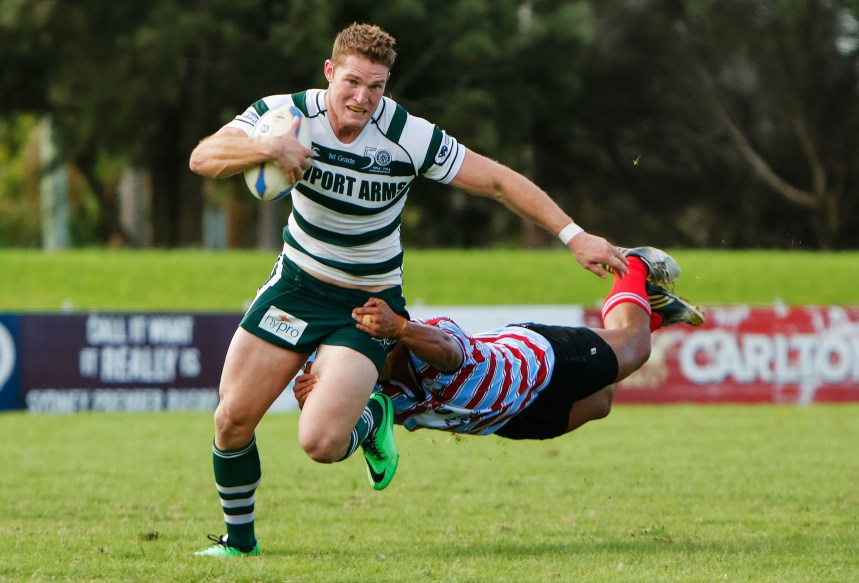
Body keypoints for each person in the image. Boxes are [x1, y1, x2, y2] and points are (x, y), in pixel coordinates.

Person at [188, 22, 629, 557]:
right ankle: (239, 544)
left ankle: (375, 417)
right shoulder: (286, 115)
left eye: (376, 87)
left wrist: (574, 235)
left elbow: (497, 181)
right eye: (352, 82)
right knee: (232, 418)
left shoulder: (406, 135)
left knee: (322, 443)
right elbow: (204, 156)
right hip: (295, 289)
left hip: (367, 307)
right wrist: (268, 146)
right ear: (330, 72)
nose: (362, 97)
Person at [294, 247, 704, 439]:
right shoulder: (368, 389)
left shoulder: (425, 334)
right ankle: (651, 311)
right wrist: (318, 402)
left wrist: (399, 328)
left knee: (634, 350)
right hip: (512, 419)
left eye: (367, 342)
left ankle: (631, 266)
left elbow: (450, 354)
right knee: (603, 401)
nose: (357, 357)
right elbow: (348, 435)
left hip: (539, 359)